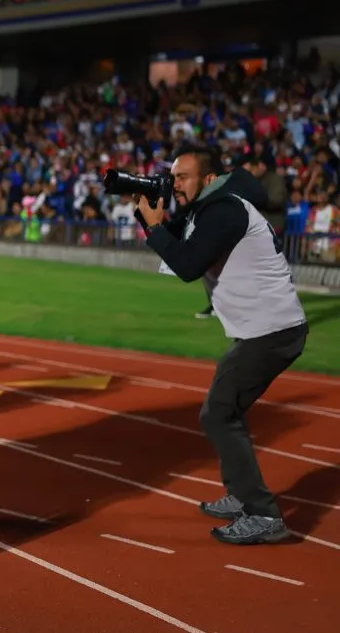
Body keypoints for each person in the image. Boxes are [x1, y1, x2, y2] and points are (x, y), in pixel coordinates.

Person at [136, 145, 308, 546]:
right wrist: (151, 216)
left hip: (272, 330)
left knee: (218, 413)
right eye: (172, 176)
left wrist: (157, 227)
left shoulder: (225, 209)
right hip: (264, 329)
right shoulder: (208, 210)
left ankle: (263, 514)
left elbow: (187, 265)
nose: (174, 184)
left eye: (183, 177)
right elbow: (176, 247)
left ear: (209, 180)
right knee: (226, 410)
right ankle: (242, 493)